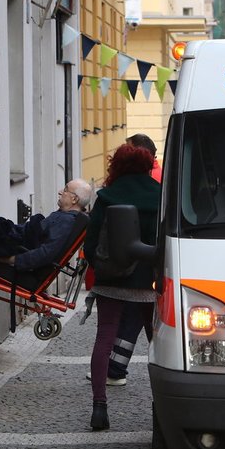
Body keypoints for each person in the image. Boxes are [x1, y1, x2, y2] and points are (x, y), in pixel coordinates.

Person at [84, 143, 161, 431]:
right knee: (159, 343)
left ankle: (99, 408)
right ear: (146, 166)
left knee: (104, 338)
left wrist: (104, 266)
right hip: (148, 283)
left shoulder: (106, 197)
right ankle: (162, 406)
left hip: (111, 280)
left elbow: (90, 245)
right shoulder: (160, 194)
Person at [0, 179, 92, 289]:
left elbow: (47, 252)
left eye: (65, 190)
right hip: (18, 238)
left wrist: (13, 260)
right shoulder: (65, 217)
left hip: (18, 245)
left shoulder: (66, 222)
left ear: (74, 199)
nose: (60, 191)